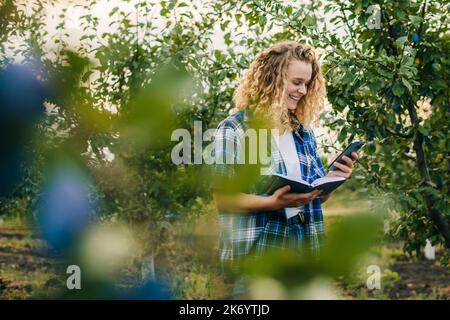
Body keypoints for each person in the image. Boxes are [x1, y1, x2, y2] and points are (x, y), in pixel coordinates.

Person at [211, 40, 358, 294]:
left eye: (307, 84)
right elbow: (223, 198)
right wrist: (274, 203)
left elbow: (309, 198)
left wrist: (332, 180)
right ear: (271, 79)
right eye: (296, 82)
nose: (303, 90)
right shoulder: (235, 129)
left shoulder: (303, 133)